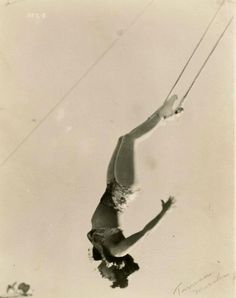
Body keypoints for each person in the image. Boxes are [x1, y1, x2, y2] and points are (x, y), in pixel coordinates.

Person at [87, 95, 183, 288]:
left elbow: (99, 250)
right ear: (116, 269)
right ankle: (162, 116)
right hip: (122, 192)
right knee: (130, 140)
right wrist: (164, 212)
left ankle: (163, 117)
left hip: (110, 190)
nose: (104, 277)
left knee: (123, 139)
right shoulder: (118, 252)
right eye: (109, 278)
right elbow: (145, 232)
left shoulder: (102, 253)